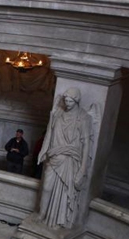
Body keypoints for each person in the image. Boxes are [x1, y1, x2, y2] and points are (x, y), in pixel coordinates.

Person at [37, 87, 93, 229]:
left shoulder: (83, 118)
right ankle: (42, 214)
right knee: (46, 187)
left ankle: (56, 219)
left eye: (70, 101)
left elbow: (86, 144)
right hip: (54, 157)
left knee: (63, 192)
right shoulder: (58, 114)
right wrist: (43, 151)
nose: (67, 103)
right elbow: (49, 133)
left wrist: (82, 169)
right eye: (65, 100)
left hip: (70, 159)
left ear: (76, 101)